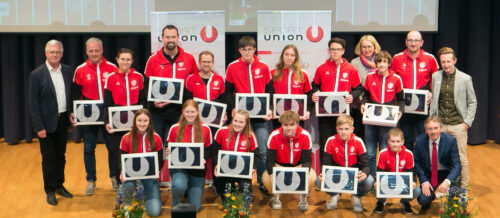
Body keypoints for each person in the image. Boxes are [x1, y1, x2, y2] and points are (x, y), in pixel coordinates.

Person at [144, 24, 198, 186]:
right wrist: (153, 101)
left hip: (179, 112)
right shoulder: (153, 59)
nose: (170, 40)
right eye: (167, 37)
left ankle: (180, 182)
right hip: (158, 112)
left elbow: (193, 82)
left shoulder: (188, 58)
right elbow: (147, 85)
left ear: (178, 38)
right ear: (162, 38)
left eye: (173, 37)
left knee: (180, 146)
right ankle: (153, 181)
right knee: (156, 146)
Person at [224, 35, 273, 194]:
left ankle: (261, 182)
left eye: (250, 49)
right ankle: (234, 181)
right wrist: (232, 108)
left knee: (263, 151)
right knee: (237, 149)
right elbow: (228, 92)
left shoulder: (264, 66)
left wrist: (270, 108)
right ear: (239, 50)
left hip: (260, 118)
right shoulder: (232, 67)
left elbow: (270, 91)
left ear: (254, 49)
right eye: (244, 50)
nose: (247, 52)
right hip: (240, 118)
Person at [29, 39, 74, 205]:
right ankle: (49, 190)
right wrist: (38, 126)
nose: (54, 55)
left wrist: (70, 116)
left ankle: (59, 186)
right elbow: (33, 104)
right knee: (48, 159)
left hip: (62, 121)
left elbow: (70, 96)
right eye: (51, 52)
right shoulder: (36, 74)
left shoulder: (68, 71)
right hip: (45, 125)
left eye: (57, 52)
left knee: (61, 156)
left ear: (61, 54)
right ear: (46, 53)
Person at [72, 37, 118, 195]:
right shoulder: (80, 69)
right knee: (89, 148)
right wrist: (75, 112)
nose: (94, 53)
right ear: (86, 51)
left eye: (96, 50)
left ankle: (114, 177)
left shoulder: (113, 68)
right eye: (91, 50)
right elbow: (76, 93)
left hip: (108, 114)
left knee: (112, 148)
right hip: (88, 115)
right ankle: (91, 180)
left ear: (102, 50)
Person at [430, 47, 477, 188]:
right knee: (439, 158)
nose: (446, 64)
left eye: (448, 61)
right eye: (443, 62)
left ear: (454, 60)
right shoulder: (435, 77)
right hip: (440, 126)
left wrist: (467, 123)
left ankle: (463, 189)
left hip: (458, 125)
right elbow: (435, 101)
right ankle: (441, 187)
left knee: (462, 159)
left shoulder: (465, 78)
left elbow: (472, 102)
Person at [312, 37, 363, 166]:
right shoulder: (321, 68)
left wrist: (353, 96)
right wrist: (315, 93)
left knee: (344, 145)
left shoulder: (351, 69)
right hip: (325, 115)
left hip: (344, 115)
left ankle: (344, 173)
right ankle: (325, 177)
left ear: (343, 51)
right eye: (333, 49)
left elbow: (358, 88)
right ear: (328, 51)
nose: (335, 52)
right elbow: (315, 85)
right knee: (326, 145)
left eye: (338, 49)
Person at [104, 48, 146, 186]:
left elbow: (143, 101)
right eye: (122, 59)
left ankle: (137, 179)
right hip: (117, 123)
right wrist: (107, 122)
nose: (125, 62)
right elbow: (107, 103)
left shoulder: (138, 77)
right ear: (117, 60)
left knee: (136, 150)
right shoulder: (110, 78)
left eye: (128, 59)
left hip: (136, 122)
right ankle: (120, 180)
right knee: (118, 152)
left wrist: (143, 121)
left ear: (132, 61)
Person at [391, 31, 439, 151]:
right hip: (404, 105)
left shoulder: (430, 58)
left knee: (424, 139)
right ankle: (409, 168)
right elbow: (392, 80)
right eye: (410, 40)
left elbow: (437, 80)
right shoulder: (397, 58)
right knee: (406, 139)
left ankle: (422, 168)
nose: (413, 43)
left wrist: (431, 93)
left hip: (423, 105)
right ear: (406, 42)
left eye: (416, 40)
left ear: (421, 42)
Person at [185, 50, 226, 188]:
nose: (206, 64)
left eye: (209, 61)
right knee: (194, 149)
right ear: (199, 63)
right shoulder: (191, 79)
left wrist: (225, 114)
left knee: (215, 151)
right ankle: (191, 182)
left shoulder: (219, 79)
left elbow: (223, 100)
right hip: (196, 122)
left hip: (215, 124)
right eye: (203, 61)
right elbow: (187, 101)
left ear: (213, 63)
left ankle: (217, 182)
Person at [361, 50, 404, 178]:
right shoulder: (370, 77)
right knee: (370, 153)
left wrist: (400, 110)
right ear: (376, 63)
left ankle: (384, 180)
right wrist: (363, 104)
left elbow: (401, 99)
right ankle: (371, 180)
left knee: (386, 151)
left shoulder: (396, 79)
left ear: (389, 63)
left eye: (384, 62)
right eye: (379, 61)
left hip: (388, 120)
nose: (381, 64)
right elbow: (365, 96)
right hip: (371, 119)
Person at [262, 111, 315, 211]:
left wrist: (304, 175)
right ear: (281, 124)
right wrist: (272, 173)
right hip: (279, 165)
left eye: (292, 125)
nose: (289, 128)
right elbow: (269, 160)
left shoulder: (305, 135)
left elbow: (307, 160)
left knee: (311, 177)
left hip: (298, 166)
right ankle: (275, 197)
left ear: (297, 124)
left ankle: (302, 195)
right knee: (267, 178)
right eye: (285, 125)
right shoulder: (274, 135)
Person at [165, 100, 212, 212]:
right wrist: (168, 152)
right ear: (182, 112)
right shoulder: (174, 128)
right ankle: (176, 204)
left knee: (195, 208)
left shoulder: (205, 128)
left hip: (197, 169)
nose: (190, 114)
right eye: (187, 112)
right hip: (179, 167)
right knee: (179, 185)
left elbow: (210, 149)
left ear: (197, 112)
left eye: (192, 112)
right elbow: (169, 146)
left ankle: (188, 190)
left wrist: (204, 158)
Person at [319, 115, 373, 212]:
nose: (343, 132)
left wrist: (364, 173)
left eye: (346, 129)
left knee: (369, 180)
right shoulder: (330, 141)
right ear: (337, 129)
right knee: (319, 180)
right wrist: (323, 174)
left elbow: (366, 166)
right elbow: (326, 164)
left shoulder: (358, 141)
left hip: (354, 176)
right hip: (337, 175)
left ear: (352, 129)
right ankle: (334, 195)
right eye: (341, 129)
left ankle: (356, 197)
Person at [414, 116, 461, 214]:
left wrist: (447, 181)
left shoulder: (450, 140)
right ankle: (430, 197)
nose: (433, 131)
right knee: (423, 200)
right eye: (430, 128)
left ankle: (450, 196)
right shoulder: (419, 140)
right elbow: (417, 163)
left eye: (436, 128)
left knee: (453, 204)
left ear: (441, 129)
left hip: (446, 173)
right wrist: (424, 181)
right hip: (430, 173)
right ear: (426, 130)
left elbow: (457, 165)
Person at [119, 109, 163, 217]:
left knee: (154, 212)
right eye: (139, 120)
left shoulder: (156, 138)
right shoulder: (126, 138)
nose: (142, 124)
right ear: (134, 121)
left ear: (150, 122)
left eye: (145, 121)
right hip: (131, 175)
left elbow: (160, 160)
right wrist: (122, 172)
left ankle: (145, 195)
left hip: (149, 176)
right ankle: (127, 203)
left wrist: (156, 171)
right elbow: (121, 160)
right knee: (128, 185)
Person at [211, 110, 260, 201]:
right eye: (235, 121)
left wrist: (253, 168)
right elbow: (214, 152)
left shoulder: (250, 136)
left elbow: (256, 156)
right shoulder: (221, 131)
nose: (237, 124)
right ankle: (224, 189)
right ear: (232, 120)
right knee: (227, 200)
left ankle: (245, 191)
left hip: (242, 171)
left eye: (241, 122)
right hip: (225, 170)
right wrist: (217, 164)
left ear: (246, 123)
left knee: (245, 195)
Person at [374, 128, 421, 214]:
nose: (395, 144)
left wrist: (413, 182)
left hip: (402, 184)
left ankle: (405, 201)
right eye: (392, 141)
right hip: (387, 183)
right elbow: (380, 172)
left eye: (398, 141)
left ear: (402, 142)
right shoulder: (383, 153)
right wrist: (378, 182)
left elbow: (411, 173)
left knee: (417, 191)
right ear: (388, 141)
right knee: (374, 186)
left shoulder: (408, 154)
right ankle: (381, 201)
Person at [271, 44, 313, 127]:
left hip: (298, 116)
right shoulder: (273, 73)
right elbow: (270, 94)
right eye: (286, 54)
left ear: (296, 58)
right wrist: (271, 109)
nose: (289, 58)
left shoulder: (303, 74)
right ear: (282, 56)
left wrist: (308, 111)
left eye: (292, 55)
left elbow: (308, 95)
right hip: (278, 116)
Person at [350, 35, 382, 139]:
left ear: (374, 47)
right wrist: (359, 100)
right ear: (360, 48)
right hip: (359, 106)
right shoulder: (354, 63)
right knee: (360, 136)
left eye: (369, 46)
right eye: (364, 47)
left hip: (378, 105)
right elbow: (352, 85)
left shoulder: (381, 61)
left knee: (376, 137)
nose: (367, 49)